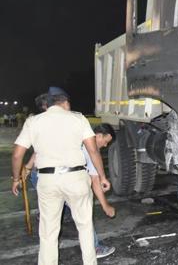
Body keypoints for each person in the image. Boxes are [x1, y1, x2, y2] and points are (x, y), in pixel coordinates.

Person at [11, 87, 110, 265]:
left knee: (49, 232)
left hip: (47, 180)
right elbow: (93, 150)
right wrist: (102, 177)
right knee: (85, 226)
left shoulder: (34, 122)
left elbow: (17, 154)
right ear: (65, 102)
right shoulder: (78, 118)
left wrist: (16, 179)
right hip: (76, 178)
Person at [24, 123, 118, 259]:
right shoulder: (90, 149)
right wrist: (105, 206)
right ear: (98, 136)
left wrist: (27, 167)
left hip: (39, 175)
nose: (104, 146)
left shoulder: (71, 135)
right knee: (82, 210)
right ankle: (94, 247)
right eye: (105, 142)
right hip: (60, 179)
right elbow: (95, 181)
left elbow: (41, 147)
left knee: (57, 205)